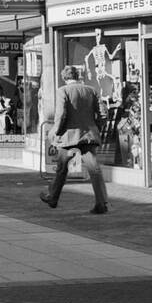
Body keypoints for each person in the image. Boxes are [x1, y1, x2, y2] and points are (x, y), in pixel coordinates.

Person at [40, 65, 109, 214]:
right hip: (88, 135)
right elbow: (103, 114)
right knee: (94, 169)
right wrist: (95, 127)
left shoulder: (63, 91)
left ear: (64, 78)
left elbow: (61, 114)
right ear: (77, 76)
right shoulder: (91, 90)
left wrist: (55, 132)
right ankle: (101, 203)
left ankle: (53, 197)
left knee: (62, 168)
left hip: (68, 135)